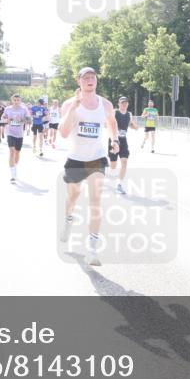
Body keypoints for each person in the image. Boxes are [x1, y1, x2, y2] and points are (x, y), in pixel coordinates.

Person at [59, 67, 120, 266]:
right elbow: (64, 132)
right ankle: (68, 220)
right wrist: (74, 107)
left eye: (92, 77)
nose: (89, 80)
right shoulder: (69, 104)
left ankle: (92, 250)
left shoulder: (106, 104)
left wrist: (114, 139)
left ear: (96, 81)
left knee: (95, 202)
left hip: (96, 158)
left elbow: (111, 122)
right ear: (79, 82)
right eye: (85, 78)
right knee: (73, 198)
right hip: (76, 159)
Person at [109, 96, 138, 195]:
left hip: (123, 140)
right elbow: (109, 123)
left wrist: (134, 126)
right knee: (113, 166)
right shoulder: (115, 112)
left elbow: (131, 124)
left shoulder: (129, 114)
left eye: (125, 103)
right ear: (119, 104)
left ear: (128, 104)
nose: (124, 104)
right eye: (122, 103)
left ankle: (119, 185)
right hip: (114, 140)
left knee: (124, 162)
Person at [1, 94, 30, 183]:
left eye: (18, 100)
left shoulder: (24, 109)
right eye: (15, 100)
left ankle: (15, 166)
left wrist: (21, 120)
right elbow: (2, 118)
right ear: (12, 100)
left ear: (20, 101)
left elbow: (29, 120)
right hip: (10, 132)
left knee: (17, 153)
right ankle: (13, 174)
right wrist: (7, 120)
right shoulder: (8, 109)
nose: (16, 102)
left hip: (19, 134)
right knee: (12, 151)